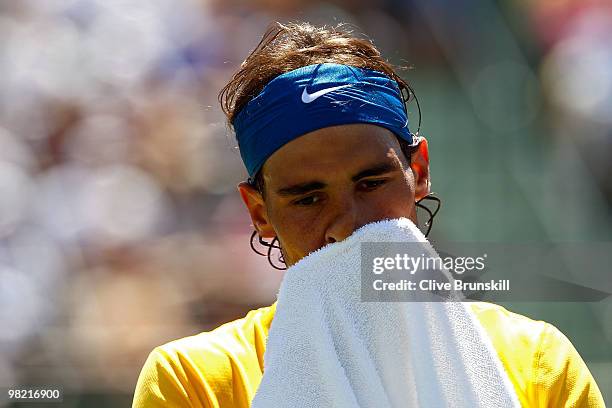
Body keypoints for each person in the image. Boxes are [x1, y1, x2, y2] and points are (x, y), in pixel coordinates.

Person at [132, 22, 604, 407]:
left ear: (418, 173)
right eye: (307, 198)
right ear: (260, 213)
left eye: (371, 183)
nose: (349, 224)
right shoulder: (194, 382)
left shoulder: (538, 363)